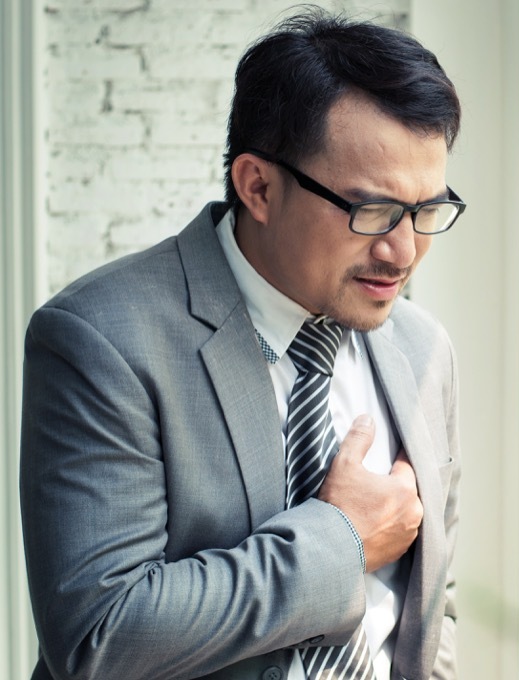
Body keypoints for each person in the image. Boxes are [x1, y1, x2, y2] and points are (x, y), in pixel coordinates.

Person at [19, 9, 463, 680]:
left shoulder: (422, 348)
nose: (403, 251)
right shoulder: (100, 340)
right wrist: (340, 542)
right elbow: (99, 637)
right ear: (258, 186)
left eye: (427, 212)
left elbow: (430, 606)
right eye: (372, 211)